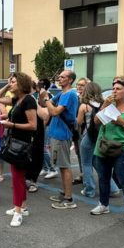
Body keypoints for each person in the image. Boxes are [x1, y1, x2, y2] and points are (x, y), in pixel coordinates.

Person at [90, 80, 124, 224]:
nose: (114, 91)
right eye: (113, 88)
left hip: (122, 149)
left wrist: (121, 122)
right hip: (104, 147)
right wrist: (105, 104)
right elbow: (96, 121)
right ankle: (103, 204)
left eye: (118, 89)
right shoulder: (109, 107)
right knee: (103, 178)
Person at [0, 73, 37, 227]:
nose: (10, 84)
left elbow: (33, 125)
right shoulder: (16, 99)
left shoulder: (29, 101)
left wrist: (11, 125)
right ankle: (22, 207)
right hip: (15, 142)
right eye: (10, 82)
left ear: (22, 84)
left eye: (13, 82)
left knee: (18, 179)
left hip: (23, 144)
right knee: (16, 177)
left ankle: (18, 212)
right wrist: (6, 84)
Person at [39, 70, 79, 209]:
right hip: (56, 134)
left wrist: (45, 99)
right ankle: (65, 193)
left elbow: (54, 111)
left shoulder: (70, 94)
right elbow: (46, 106)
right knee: (61, 166)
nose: (59, 78)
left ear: (70, 80)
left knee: (65, 166)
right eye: (59, 76)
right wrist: (43, 96)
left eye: (62, 77)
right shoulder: (62, 94)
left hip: (63, 135)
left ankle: (69, 199)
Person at [76, 82, 120, 198]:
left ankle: (89, 190)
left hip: (88, 137)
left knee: (86, 163)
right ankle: (113, 188)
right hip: (101, 137)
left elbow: (79, 123)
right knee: (100, 164)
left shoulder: (84, 106)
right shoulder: (104, 104)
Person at [36, 78, 58, 179]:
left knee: (45, 148)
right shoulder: (40, 95)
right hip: (41, 125)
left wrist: (43, 125)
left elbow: (47, 112)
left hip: (47, 125)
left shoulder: (47, 95)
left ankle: (53, 169)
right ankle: (45, 168)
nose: (36, 85)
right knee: (41, 148)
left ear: (43, 86)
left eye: (39, 84)